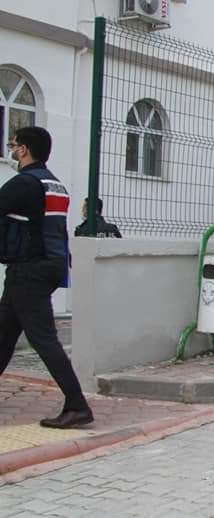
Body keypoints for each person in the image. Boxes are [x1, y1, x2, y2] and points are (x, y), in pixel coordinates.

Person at [0, 127, 93, 428]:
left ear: (24, 149)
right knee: (3, 335)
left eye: (13, 146)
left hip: (30, 269)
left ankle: (77, 406)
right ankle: (76, 405)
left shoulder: (24, 183)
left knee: (44, 340)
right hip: (50, 265)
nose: (12, 151)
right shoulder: (55, 184)